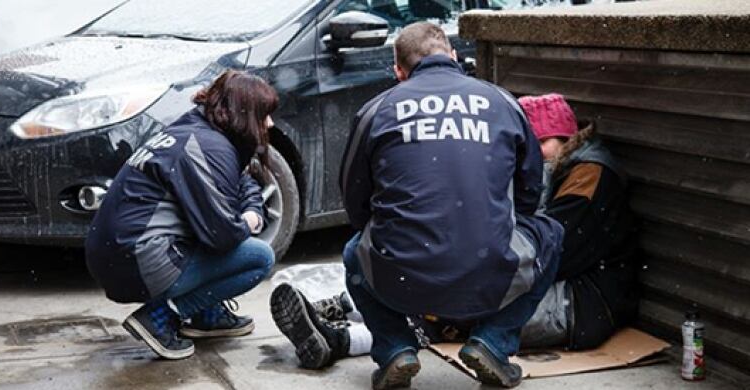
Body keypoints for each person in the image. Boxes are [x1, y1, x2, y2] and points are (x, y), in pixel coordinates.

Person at [270, 94, 639, 375]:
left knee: (451, 308)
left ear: (564, 136)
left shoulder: (590, 174)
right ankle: (338, 313)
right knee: (446, 288)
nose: (534, 155)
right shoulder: (565, 167)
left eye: (540, 144)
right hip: (569, 293)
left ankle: (338, 338)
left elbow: (559, 249)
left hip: (584, 305)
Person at [289, 22, 563, 389]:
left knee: (355, 251)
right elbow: (530, 191)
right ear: (453, 56)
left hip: (400, 275)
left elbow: (355, 203)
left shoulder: (377, 109)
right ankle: (493, 344)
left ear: (399, 71)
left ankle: (394, 350)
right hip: (490, 271)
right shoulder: (501, 102)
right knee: (552, 234)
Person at [85, 70, 278, 360]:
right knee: (258, 257)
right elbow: (221, 236)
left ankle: (206, 315)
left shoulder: (196, 130)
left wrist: (252, 208)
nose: (270, 123)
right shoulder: (209, 147)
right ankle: (162, 316)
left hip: (112, 257)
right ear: (243, 113)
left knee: (205, 233)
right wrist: (249, 221)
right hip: (137, 260)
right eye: (264, 115)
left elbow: (242, 179)